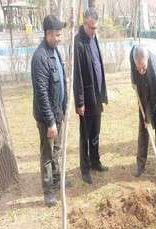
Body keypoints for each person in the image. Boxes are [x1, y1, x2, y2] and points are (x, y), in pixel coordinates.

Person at [31, 15, 67, 206]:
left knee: (57, 149)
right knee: (47, 153)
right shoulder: (40, 58)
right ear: (48, 34)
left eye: (60, 34)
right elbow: (42, 93)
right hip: (47, 117)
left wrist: (64, 106)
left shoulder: (55, 51)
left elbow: (61, 81)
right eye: (57, 35)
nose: (60, 38)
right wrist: (51, 122)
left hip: (57, 112)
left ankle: (57, 179)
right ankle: (48, 191)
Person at [73, 7, 108, 184]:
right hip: (86, 99)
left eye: (96, 28)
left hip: (97, 97)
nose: (94, 31)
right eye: (92, 28)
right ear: (85, 23)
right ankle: (85, 168)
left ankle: (95, 161)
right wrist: (79, 102)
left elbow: (99, 65)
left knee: (96, 132)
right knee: (85, 135)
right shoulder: (78, 42)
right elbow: (77, 75)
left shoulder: (95, 39)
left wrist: (103, 93)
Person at [130, 45, 156, 188]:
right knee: (142, 132)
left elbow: (155, 98)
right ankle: (140, 165)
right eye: (138, 67)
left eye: (143, 67)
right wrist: (134, 79)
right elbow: (133, 67)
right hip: (143, 98)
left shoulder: (154, 70)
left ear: (147, 59)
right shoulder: (134, 55)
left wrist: (148, 118)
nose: (140, 70)